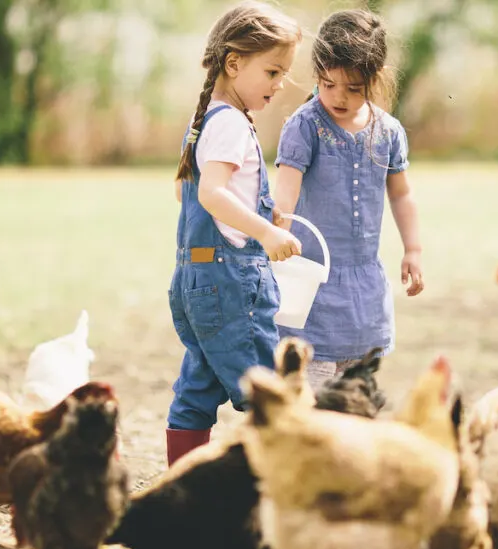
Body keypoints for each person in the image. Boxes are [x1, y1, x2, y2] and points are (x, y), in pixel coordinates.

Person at [166, 1, 302, 466]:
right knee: (268, 391)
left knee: (198, 389)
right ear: (234, 63)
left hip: (196, 282)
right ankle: (279, 487)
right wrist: (264, 232)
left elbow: (197, 199)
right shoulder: (229, 125)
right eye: (273, 71)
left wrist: (262, 216)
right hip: (229, 285)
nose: (280, 84)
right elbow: (211, 194)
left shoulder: (206, 120)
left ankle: (182, 486)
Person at [273, 9, 424, 389]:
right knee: (315, 392)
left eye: (353, 88)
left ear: (375, 79)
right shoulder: (305, 126)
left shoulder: (388, 131)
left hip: (365, 288)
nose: (339, 97)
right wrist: (277, 236)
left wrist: (413, 249)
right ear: (317, 74)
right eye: (328, 84)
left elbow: (402, 194)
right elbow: (285, 192)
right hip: (312, 284)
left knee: (358, 393)